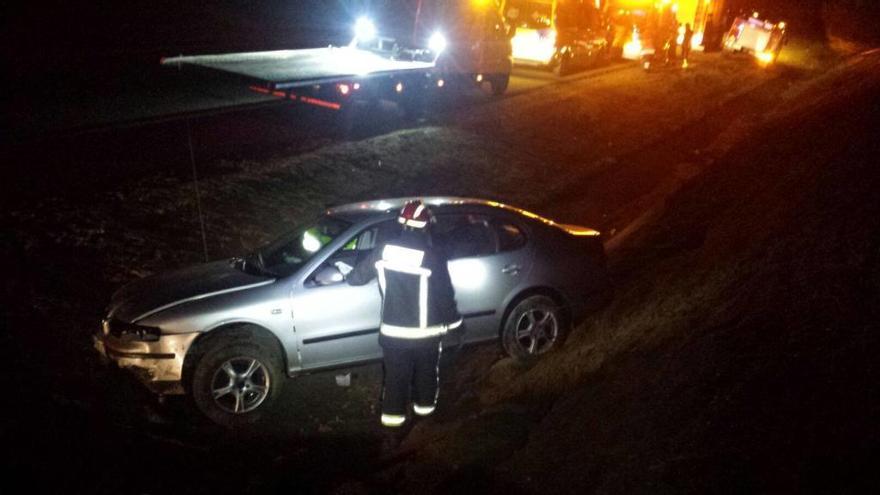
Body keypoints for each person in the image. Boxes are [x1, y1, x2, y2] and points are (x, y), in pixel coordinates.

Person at [346, 200, 462, 429]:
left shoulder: (384, 250)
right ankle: (424, 419)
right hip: (427, 335)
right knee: (426, 376)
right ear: (426, 225)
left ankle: (392, 426)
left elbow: (356, 278)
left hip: (394, 334)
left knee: (396, 379)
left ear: (402, 224)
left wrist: (347, 273)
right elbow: (444, 295)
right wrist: (456, 324)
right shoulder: (433, 256)